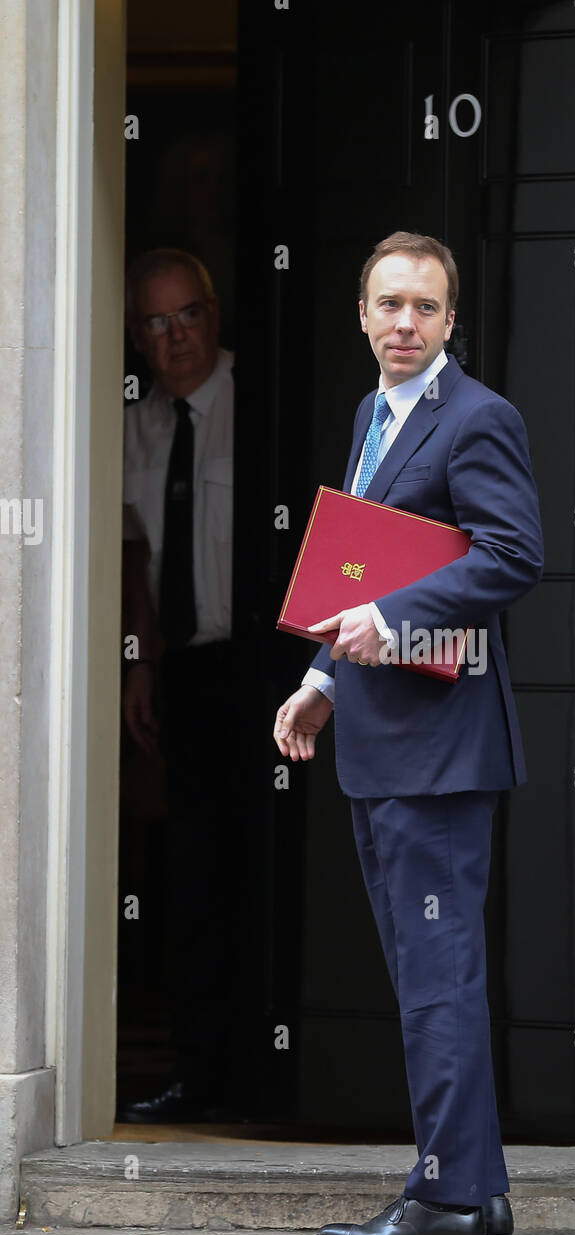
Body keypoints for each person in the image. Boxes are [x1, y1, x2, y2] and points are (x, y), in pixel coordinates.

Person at [273, 231, 544, 1235]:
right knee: (426, 979)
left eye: (423, 308)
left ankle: (452, 1196)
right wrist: (320, 679)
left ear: (447, 319)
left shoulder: (477, 418)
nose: (403, 323)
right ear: (359, 312)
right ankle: (469, 1192)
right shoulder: (371, 415)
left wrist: (389, 624)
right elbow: (358, 565)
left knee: (437, 979)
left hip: (441, 750)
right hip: (381, 740)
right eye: (387, 304)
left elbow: (514, 553)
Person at [118, 248, 243, 1122]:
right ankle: (201, 1076)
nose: (175, 339)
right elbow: (131, 555)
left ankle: (292, 1068)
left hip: (276, 665)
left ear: (215, 311)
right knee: (194, 878)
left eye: (186, 315)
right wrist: (139, 660)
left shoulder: (256, 393)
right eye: (154, 325)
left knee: (272, 872)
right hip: (189, 670)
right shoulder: (136, 424)